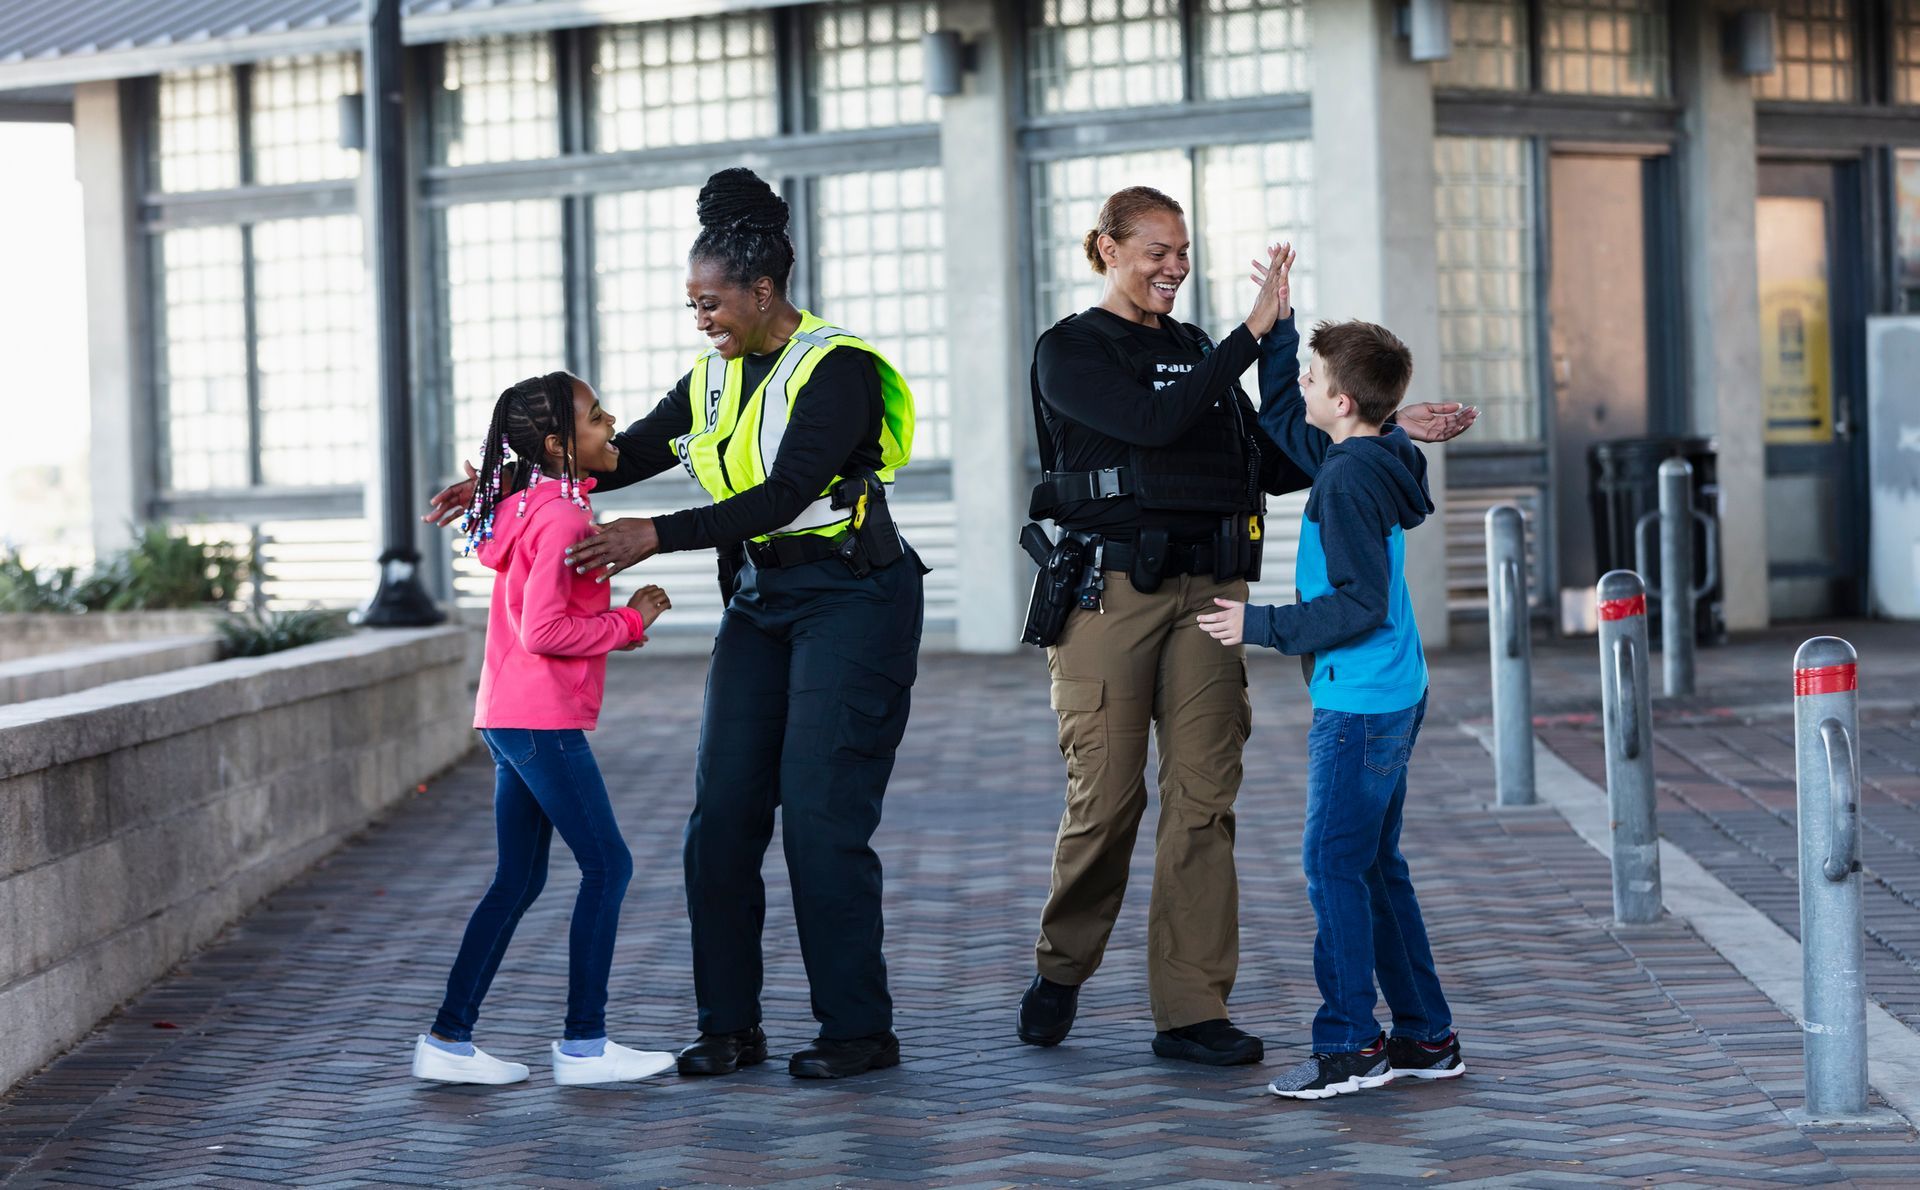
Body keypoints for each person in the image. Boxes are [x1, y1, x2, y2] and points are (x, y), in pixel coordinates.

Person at [424, 167, 923, 1081]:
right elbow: (617, 458)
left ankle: (858, 1030)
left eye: (711, 302)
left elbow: (782, 495)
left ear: (762, 291)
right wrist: (505, 479)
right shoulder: (710, 376)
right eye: (692, 304)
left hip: (855, 599)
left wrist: (655, 536)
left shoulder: (837, 369)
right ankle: (729, 1026)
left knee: (818, 816)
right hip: (763, 603)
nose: (700, 318)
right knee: (721, 818)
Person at [1017, 188, 1476, 1066]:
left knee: (1203, 801)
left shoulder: (1197, 353)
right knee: (1107, 798)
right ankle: (1062, 965)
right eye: (1155, 250)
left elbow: (1279, 456)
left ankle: (1189, 1008)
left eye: (1183, 250)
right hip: (1110, 597)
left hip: (1213, 599)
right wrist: (1251, 334)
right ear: (1107, 249)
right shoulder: (1071, 351)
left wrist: (1379, 429)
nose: (1173, 266)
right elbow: (1151, 421)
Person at [1197, 245, 1465, 1099]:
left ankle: (1351, 1046)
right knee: (1374, 866)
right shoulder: (1368, 455)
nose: (1304, 387)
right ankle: (1426, 1038)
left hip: (1362, 705)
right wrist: (1277, 328)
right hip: (1391, 692)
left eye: (1315, 377)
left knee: (1332, 868)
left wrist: (1258, 623)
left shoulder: (1346, 480)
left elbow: (1358, 605)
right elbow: (1284, 417)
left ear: (1343, 403)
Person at [412, 371, 677, 1088]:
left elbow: (502, 535)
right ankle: (585, 1046)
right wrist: (631, 620)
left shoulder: (530, 503)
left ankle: (448, 1040)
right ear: (560, 444)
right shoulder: (558, 515)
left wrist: (487, 490)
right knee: (608, 866)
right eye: (596, 417)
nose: (612, 422)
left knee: (519, 879)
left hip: (507, 714)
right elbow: (546, 629)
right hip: (538, 719)